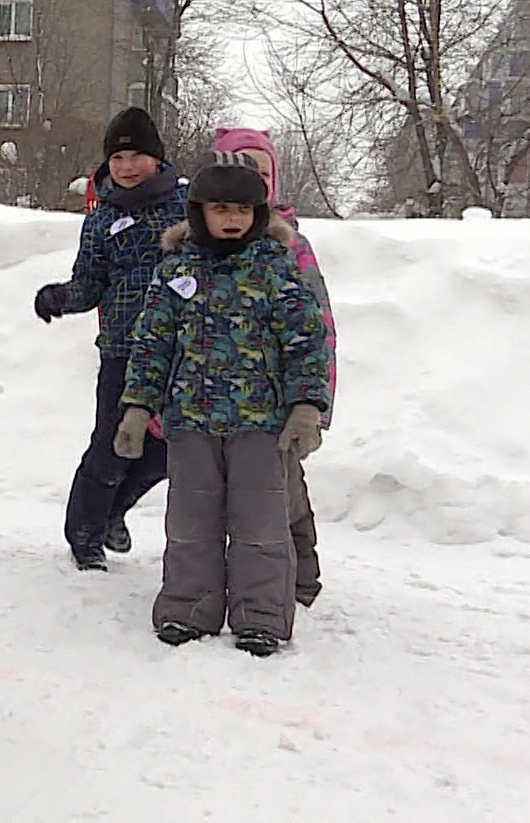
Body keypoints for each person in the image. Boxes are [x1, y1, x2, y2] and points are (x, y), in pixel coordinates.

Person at [119, 151, 332, 657]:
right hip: (191, 423)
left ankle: (261, 615)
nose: (232, 219)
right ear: (200, 213)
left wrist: (306, 406)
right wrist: (136, 406)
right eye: (220, 209)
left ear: (259, 215)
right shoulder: (177, 268)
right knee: (191, 522)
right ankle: (188, 607)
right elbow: (152, 341)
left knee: (261, 524)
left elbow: (307, 340)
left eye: (242, 210)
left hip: (260, 424)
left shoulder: (277, 269)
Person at [33, 108, 188, 570]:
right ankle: (84, 533)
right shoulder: (101, 221)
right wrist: (58, 298)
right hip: (124, 350)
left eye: (136, 154)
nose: (126, 166)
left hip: (182, 350)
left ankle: (113, 511)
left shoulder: (186, 209)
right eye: (117, 157)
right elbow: (89, 284)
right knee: (113, 445)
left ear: (157, 159)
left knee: (165, 448)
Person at [210, 127, 337, 606]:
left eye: (261, 173)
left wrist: (314, 403)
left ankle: (301, 576)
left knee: (284, 493)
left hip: (277, 397)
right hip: (215, 401)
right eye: (240, 169)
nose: (252, 182)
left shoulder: (289, 245)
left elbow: (318, 325)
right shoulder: (202, 241)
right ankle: (231, 577)